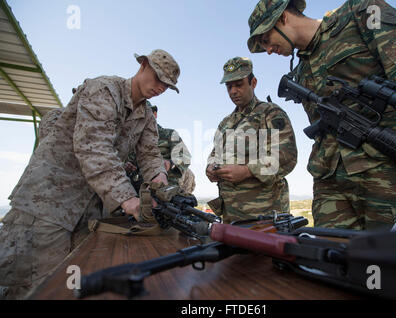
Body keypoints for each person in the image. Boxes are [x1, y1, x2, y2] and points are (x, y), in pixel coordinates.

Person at [247, 0, 396, 230]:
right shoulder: (300, 71)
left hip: (389, 172)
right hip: (331, 185)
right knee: (329, 257)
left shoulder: (360, 13)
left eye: (266, 40)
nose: (269, 50)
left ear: (283, 17)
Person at [0, 49, 180, 299]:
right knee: (35, 283)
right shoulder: (104, 90)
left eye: (167, 86)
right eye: (158, 78)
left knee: (73, 282)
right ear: (142, 66)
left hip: (88, 209)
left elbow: (149, 154)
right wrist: (128, 200)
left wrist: (160, 181)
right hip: (50, 201)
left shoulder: (146, 114)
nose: (160, 87)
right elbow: (93, 147)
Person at [206, 57, 298, 223]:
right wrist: (211, 167)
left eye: (239, 84)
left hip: (264, 215)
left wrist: (247, 171)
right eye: (229, 86)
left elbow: (286, 156)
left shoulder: (270, 113)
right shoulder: (226, 123)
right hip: (231, 216)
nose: (233, 91)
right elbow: (215, 153)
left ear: (253, 82)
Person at [125, 103, 196, 194]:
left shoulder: (169, 134)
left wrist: (169, 164)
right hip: (139, 189)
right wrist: (127, 166)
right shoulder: (131, 139)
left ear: (155, 114)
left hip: (166, 186)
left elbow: (185, 157)